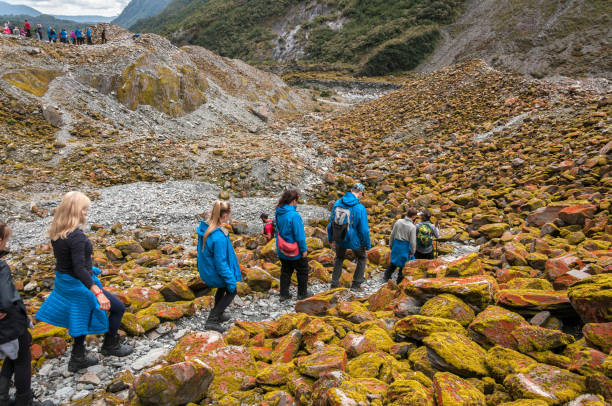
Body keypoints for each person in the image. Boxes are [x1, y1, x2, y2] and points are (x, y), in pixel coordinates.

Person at [36, 192, 133, 373]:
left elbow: (68, 264)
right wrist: (97, 291)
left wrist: (90, 273)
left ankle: (77, 358)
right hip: (78, 284)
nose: (86, 213)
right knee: (118, 308)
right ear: (76, 211)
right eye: (84, 209)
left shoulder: (58, 233)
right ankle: (110, 345)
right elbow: (79, 268)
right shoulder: (76, 237)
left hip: (65, 283)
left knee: (78, 316)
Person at [0, 223, 37, 406]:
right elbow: (6, 299)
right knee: (22, 357)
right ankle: (24, 399)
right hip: (11, 322)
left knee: (11, 353)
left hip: (6, 325)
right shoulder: (1, 267)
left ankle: (3, 397)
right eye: (6, 240)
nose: (7, 245)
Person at [196, 201, 241, 333]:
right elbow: (220, 263)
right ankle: (212, 319)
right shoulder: (218, 236)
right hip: (214, 271)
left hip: (208, 269)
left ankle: (218, 313)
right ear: (225, 215)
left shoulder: (206, 228)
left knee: (223, 287)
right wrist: (231, 279)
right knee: (232, 290)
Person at [328, 183, 371, 292]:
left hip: (339, 237)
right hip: (353, 240)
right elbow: (364, 230)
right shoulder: (360, 208)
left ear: (351, 190)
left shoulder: (338, 203)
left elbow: (331, 222)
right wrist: (367, 244)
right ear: (360, 193)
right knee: (362, 258)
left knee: (339, 258)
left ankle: (334, 283)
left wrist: (330, 238)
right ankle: (356, 285)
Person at [275, 190, 310, 301]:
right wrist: (303, 249)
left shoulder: (278, 211)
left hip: (282, 248)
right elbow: (300, 236)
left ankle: (284, 294)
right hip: (293, 250)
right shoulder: (294, 215)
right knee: (303, 270)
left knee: (285, 271)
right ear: (294, 201)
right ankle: (302, 294)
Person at [384, 207, 418, 284]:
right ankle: (399, 282)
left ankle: (386, 277)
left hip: (396, 244)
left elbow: (392, 234)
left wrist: (391, 245)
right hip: (405, 247)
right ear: (413, 217)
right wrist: (413, 252)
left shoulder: (398, 221)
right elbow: (413, 242)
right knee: (403, 265)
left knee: (394, 261)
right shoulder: (412, 227)